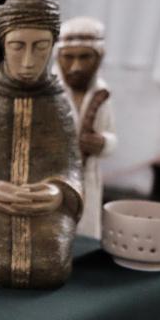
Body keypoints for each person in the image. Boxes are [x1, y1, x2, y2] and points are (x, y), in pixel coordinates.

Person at [0, 0, 83, 289]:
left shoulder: (58, 101)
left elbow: (71, 165)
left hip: (46, 210)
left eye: (40, 47)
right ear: (4, 45)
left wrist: (58, 192)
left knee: (50, 265)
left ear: (52, 46)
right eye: (17, 46)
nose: (27, 61)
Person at [55, 16, 118, 239]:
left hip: (88, 179)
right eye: (69, 57)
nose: (76, 67)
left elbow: (111, 134)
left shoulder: (102, 92)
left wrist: (103, 143)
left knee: (86, 233)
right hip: (54, 180)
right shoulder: (49, 92)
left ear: (98, 57)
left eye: (84, 57)